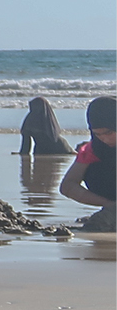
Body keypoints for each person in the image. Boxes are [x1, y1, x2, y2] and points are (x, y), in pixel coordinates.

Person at [59, 96, 115, 232]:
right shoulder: (93, 150)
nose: (104, 139)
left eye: (109, 132)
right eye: (98, 134)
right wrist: (109, 204)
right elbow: (67, 186)